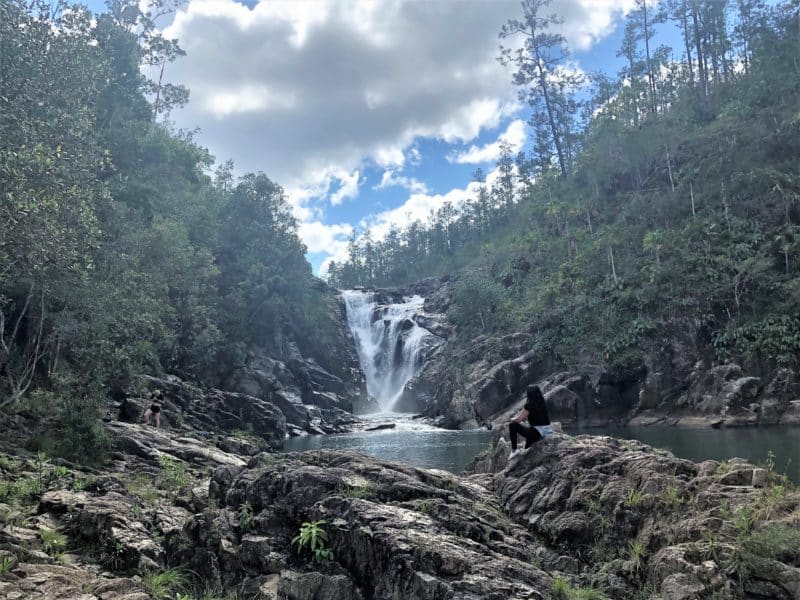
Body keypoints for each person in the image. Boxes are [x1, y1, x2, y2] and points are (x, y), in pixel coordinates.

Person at [508, 384, 553, 459]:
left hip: (538, 433)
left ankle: (514, 450)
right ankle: (528, 447)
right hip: (547, 430)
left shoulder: (529, 405)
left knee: (512, 425)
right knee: (528, 441)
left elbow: (518, 420)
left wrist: (511, 419)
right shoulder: (541, 401)